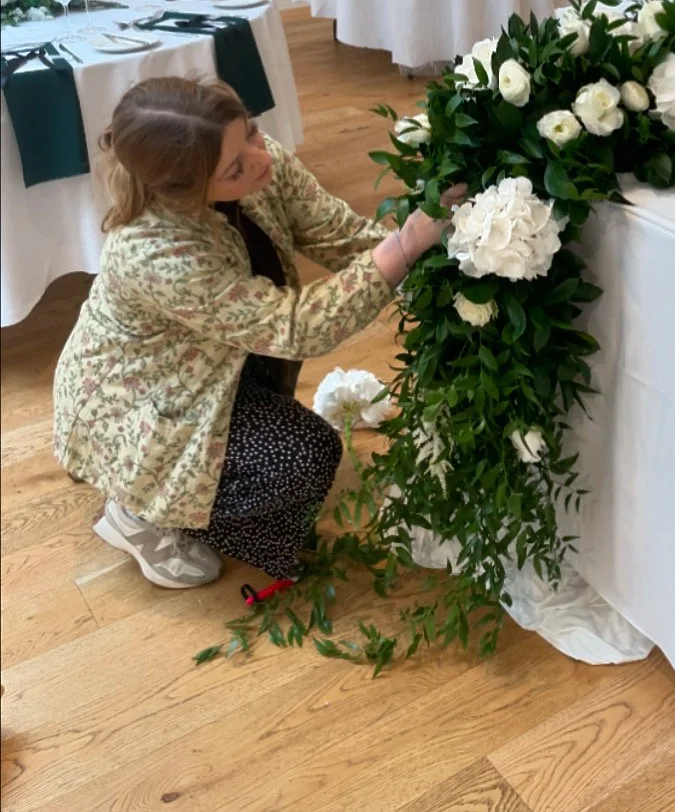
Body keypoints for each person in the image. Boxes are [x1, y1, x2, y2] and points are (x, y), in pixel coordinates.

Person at [53, 76, 464, 589]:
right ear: (184, 191)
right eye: (235, 167)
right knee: (304, 456)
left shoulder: (254, 158)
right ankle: (139, 510)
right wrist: (404, 248)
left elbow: (336, 233)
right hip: (147, 405)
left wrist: (438, 265)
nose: (260, 158)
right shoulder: (153, 251)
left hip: (217, 361)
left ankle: (188, 492)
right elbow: (297, 326)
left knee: (296, 451)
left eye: (250, 131)